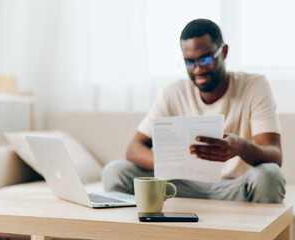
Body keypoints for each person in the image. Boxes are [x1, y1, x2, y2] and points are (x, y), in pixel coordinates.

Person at [102, 18, 285, 203]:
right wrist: (170, 165)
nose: (197, 70)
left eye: (205, 59)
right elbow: (134, 149)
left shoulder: (254, 86)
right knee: (115, 171)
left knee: (269, 174)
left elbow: (274, 155)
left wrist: (241, 148)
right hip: (180, 186)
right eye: (189, 62)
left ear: (225, 52)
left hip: (234, 187)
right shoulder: (173, 92)